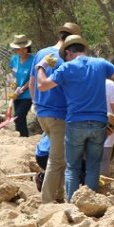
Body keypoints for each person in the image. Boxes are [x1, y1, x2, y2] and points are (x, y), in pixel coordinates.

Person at [37, 34, 114, 200]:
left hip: (75, 124)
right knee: (93, 166)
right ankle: (89, 202)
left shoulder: (66, 68)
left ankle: (71, 204)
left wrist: (41, 65)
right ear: (84, 49)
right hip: (98, 124)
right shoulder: (101, 63)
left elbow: (42, 85)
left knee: (72, 167)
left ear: (68, 53)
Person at [31, 22, 81, 203]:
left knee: (60, 156)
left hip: (42, 113)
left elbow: (32, 82)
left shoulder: (41, 53)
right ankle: (47, 200)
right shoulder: (67, 59)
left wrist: (36, 105)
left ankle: (58, 194)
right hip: (59, 115)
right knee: (57, 160)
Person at [8, 35, 36, 137]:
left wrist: (23, 88)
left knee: (19, 116)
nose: (21, 51)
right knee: (18, 119)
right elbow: (13, 74)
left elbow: (33, 78)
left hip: (28, 93)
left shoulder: (33, 60)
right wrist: (13, 83)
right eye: (18, 49)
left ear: (27, 48)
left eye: (23, 48)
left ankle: (24, 137)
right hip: (17, 94)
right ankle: (20, 138)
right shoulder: (14, 59)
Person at [102, 78, 114, 175]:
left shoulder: (81, 82)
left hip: (83, 132)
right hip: (106, 132)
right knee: (103, 165)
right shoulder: (109, 85)